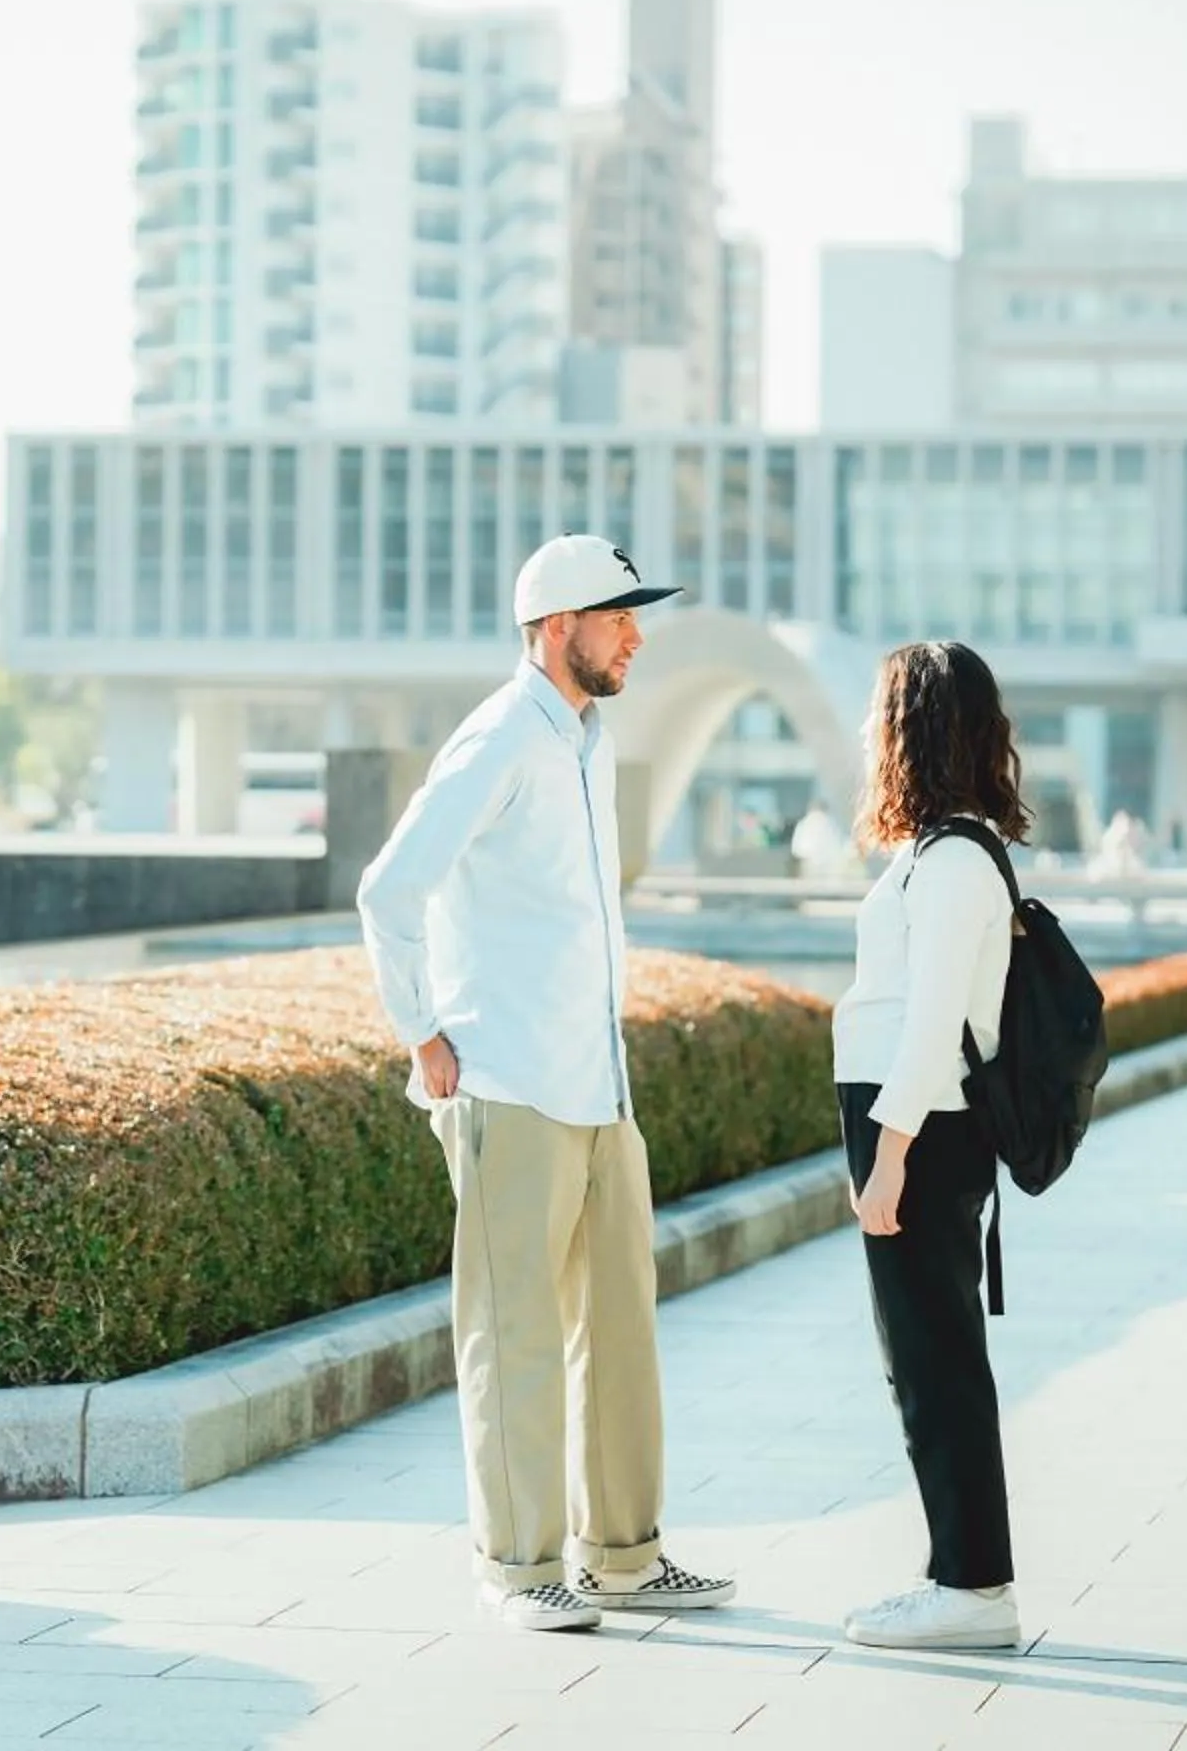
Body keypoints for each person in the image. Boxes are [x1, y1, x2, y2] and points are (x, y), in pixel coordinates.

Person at [356, 533, 736, 1635]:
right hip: (512, 1083)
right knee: (511, 1333)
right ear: (557, 625)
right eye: (619, 616)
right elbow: (389, 889)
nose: (637, 635)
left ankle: (622, 1557)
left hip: (599, 1089)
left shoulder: (586, 740)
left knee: (619, 1332)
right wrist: (423, 1034)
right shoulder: (499, 738)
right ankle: (519, 1570)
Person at [831, 638, 1028, 1650]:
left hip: (924, 1130)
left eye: (883, 713)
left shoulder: (953, 863)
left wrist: (890, 1154)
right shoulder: (934, 854)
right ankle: (958, 1570)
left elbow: (931, 1023)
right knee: (923, 1358)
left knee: (935, 1363)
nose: (871, 730)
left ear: (915, 729)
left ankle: (975, 1588)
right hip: (914, 1125)